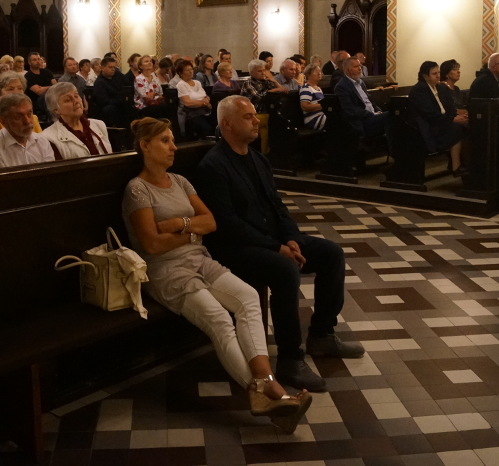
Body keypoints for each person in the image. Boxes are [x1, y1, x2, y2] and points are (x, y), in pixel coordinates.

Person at [123, 118, 311, 431]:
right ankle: (271, 392)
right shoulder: (137, 189)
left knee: (248, 297)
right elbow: (152, 245)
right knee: (219, 319)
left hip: (200, 259)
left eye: (172, 140)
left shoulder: (180, 181)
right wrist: (193, 231)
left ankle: (264, 388)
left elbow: (210, 222)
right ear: (145, 146)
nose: (173, 147)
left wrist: (179, 226)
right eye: (165, 141)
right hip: (166, 271)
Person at [195, 97, 362, 392]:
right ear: (227, 124)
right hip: (235, 248)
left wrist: (291, 238)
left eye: (254, 115)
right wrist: (277, 248)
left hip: (272, 239)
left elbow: (277, 206)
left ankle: (322, 335)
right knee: (285, 269)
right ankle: (290, 359)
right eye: (248, 117)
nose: (256, 121)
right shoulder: (213, 166)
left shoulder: (258, 159)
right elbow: (228, 224)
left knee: (331, 253)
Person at [408, 61, 468, 174]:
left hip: (441, 122)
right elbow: (430, 114)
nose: (438, 76)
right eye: (434, 74)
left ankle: (462, 164)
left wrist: (458, 116)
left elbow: (449, 107)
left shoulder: (440, 87)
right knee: (458, 128)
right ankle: (456, 166)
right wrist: (453, 119)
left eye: (438, 73)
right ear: (425, 76)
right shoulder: (420, 89)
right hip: (428, 127)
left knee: (466, 125)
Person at [0, 93, 56, 169]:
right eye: (18, 117)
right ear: (3, 121)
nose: (27, 121)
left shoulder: (42, 141)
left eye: (29, 114)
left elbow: (50, 173)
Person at [40, 82, 112, 160]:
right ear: (56, 110)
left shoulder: (99, 125)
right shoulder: (48, 137)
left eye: (76, 96)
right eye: (68, 100)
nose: (76, 101)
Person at [335, 56, 388, 139]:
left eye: (360, 65)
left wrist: (379, 111)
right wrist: (372, 114)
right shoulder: (342, 86)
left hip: (373, 116)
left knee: (396, 115)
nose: (360, 68)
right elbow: (350, 110)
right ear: (347, 70)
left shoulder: (361, 83)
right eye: (356, 66)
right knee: (391, 116)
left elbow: (371, 102)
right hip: (362, 121)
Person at [0, 72, 40, 141]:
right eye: (10, 89)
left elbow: (40, 143)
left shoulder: (33, 118)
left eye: (20, 88)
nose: (17, 92)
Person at [242, 59, 286, 153]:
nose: (263, 73)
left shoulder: (266, 81)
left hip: (266, 113)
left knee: (280, 124)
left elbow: (282, 91)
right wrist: (274, 90)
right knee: (276, 123)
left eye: (263, 70)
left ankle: (267, 155)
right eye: (259, 71)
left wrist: (274, 82)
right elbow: (260, 97)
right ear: (252, 72)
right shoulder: (248, 83)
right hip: (253, 115)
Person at [176, 60, 213, 139]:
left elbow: (206, 97)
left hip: (205, 110)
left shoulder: (197, 83)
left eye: (191, 69)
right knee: (206, 128)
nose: (190, 71)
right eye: (187, 70)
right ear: (180, 73)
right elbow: (188, 103)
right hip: (192, 114)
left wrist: (205, 102)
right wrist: (203, 103)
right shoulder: (181, 84)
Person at [92, 57, 126, 127]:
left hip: (121, 103)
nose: (113, 69)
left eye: (114, 67)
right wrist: (119, 100)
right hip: (109, 106)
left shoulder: (117, 75)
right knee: (111, 109)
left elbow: (128, 84)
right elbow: (103, 101)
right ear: (102, 68)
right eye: (110, 67)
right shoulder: (99, 82)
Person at [299, 64, 326, 130]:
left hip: (322, 115)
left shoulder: (319, 89)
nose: (319, 73)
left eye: (320, 71)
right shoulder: (306, 88)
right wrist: (323, 105)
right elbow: (305, 106)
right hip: (313, 119)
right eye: (316, 71)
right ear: (308, 75)